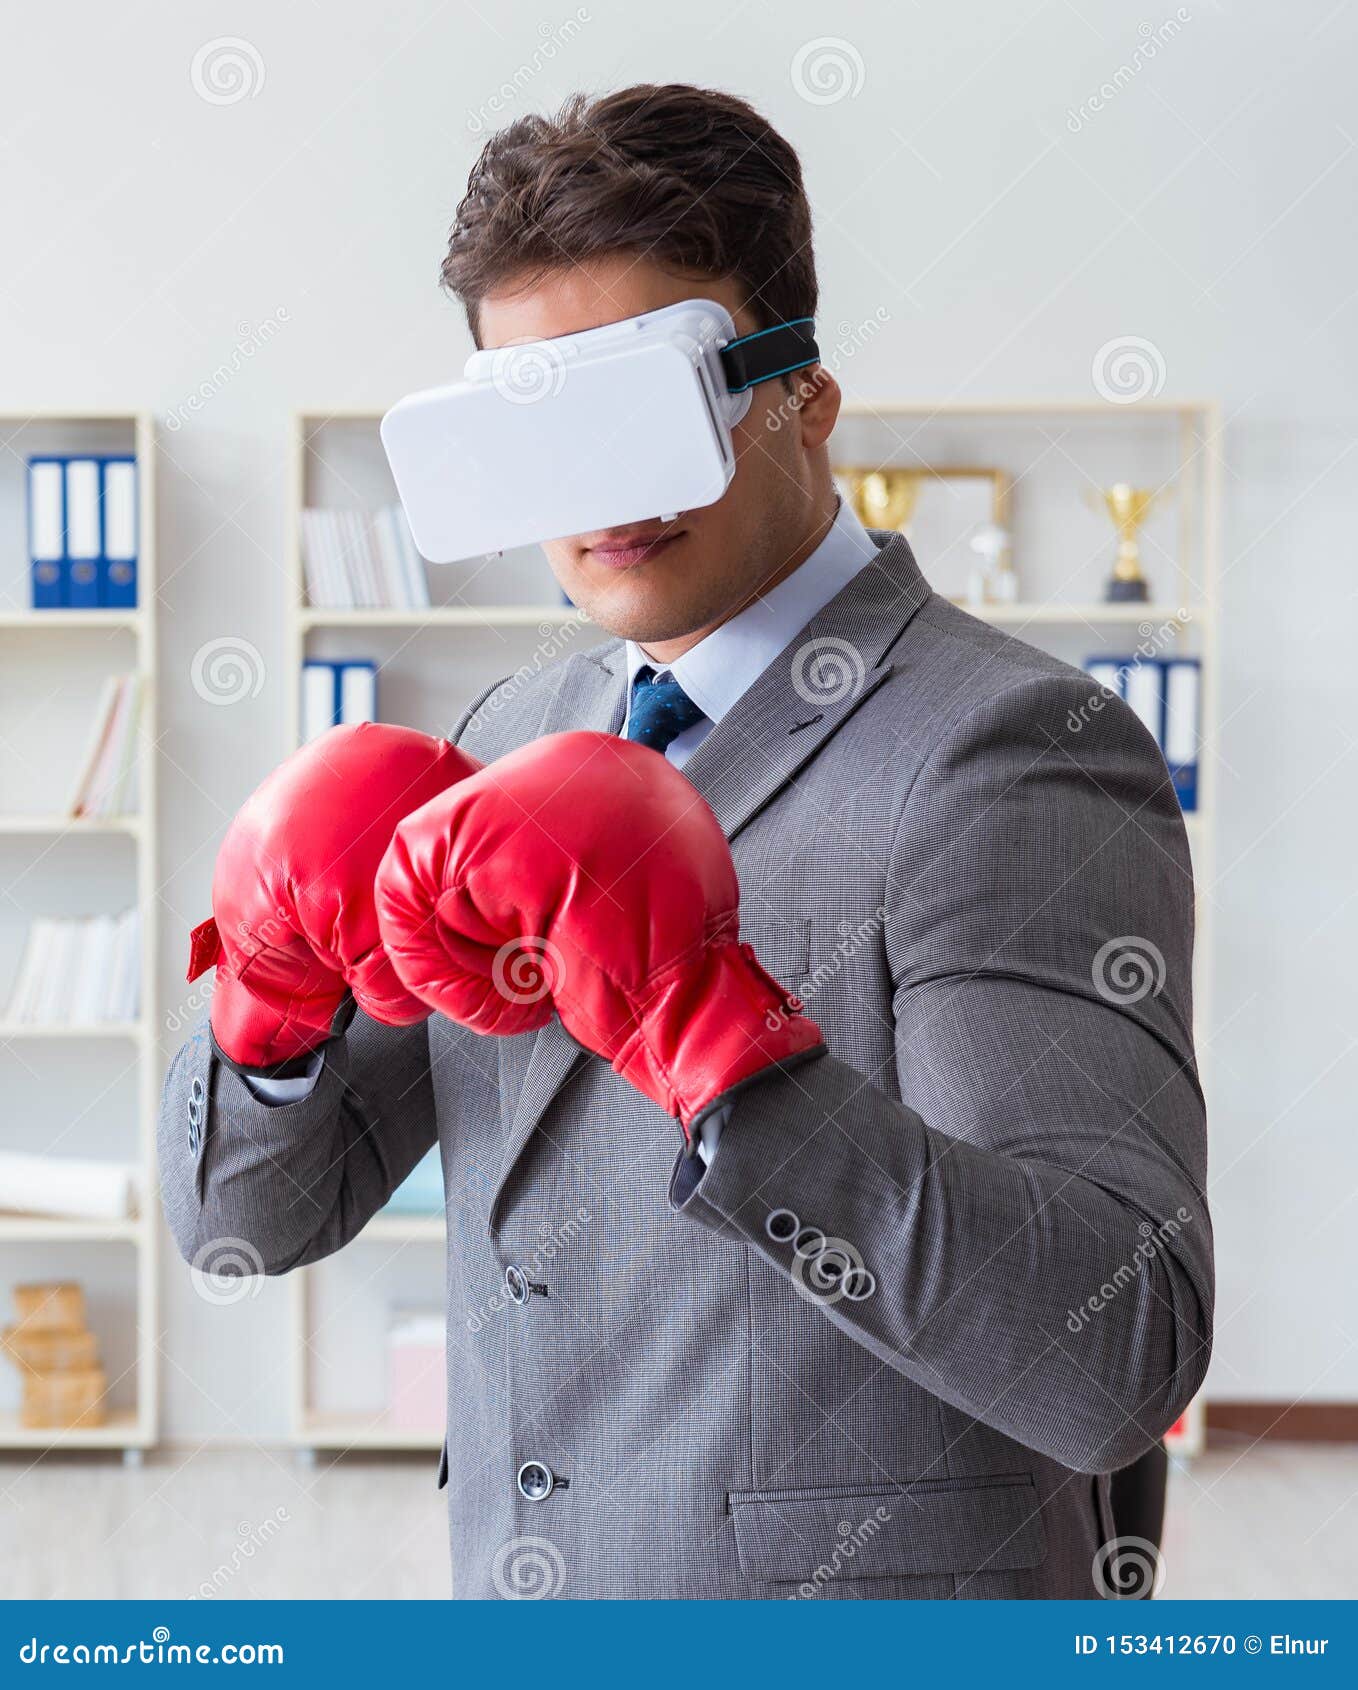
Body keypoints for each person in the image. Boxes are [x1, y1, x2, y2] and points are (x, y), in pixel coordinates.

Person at [160, 83, 1212, 1600]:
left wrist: (726, 1052)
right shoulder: (503, 739)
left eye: (640, 409)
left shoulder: (1009, 751)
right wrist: (267, 1013)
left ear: (806, 397)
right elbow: (244, 1227)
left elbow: (1111, 1353)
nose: (601, 491)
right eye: (544, 428)